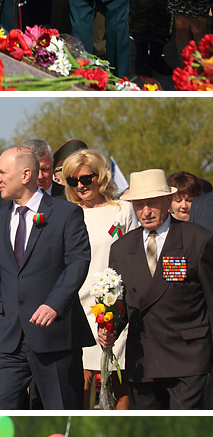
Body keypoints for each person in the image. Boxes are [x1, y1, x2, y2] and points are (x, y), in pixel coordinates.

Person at [0, 145, 92, 409]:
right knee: (1, 412)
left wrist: (54, 304)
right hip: (7, 340)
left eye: (3, 172)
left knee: (61, 411)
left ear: (26, 174)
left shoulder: (66, 214)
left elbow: (77, 262)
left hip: (54, 336)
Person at [102, 168, 213, 410]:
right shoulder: (121, 248)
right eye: (139, 205)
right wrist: (110, 328)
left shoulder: (198, 240)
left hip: (188, 358)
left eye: (152, 203)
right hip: (143, 361)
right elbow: (120, 304)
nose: (146, 211)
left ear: (167, 201)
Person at [61, 147, 137, 409]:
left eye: (86, 178)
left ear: (100, 176)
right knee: (82, 384)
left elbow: (134, 256)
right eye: (73, 180)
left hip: (115, 307)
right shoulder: (66, 214)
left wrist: (119, 307)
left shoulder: (123, 210)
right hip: (78, 307)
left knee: (118, 380)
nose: (80, 185)